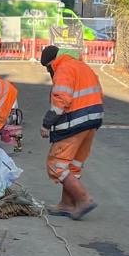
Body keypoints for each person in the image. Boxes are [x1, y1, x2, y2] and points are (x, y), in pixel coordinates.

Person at [39, 43, 102, 218]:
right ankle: (66, 204)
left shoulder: (63, 69)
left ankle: (83, 199)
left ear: (51, 62)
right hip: (92, 120)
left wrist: (46, 124)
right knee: (73, 166)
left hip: (75, 122)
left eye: (47, 68)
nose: (49, 72)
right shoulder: (82, 66)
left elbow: (61, 100)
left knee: (56, 165)